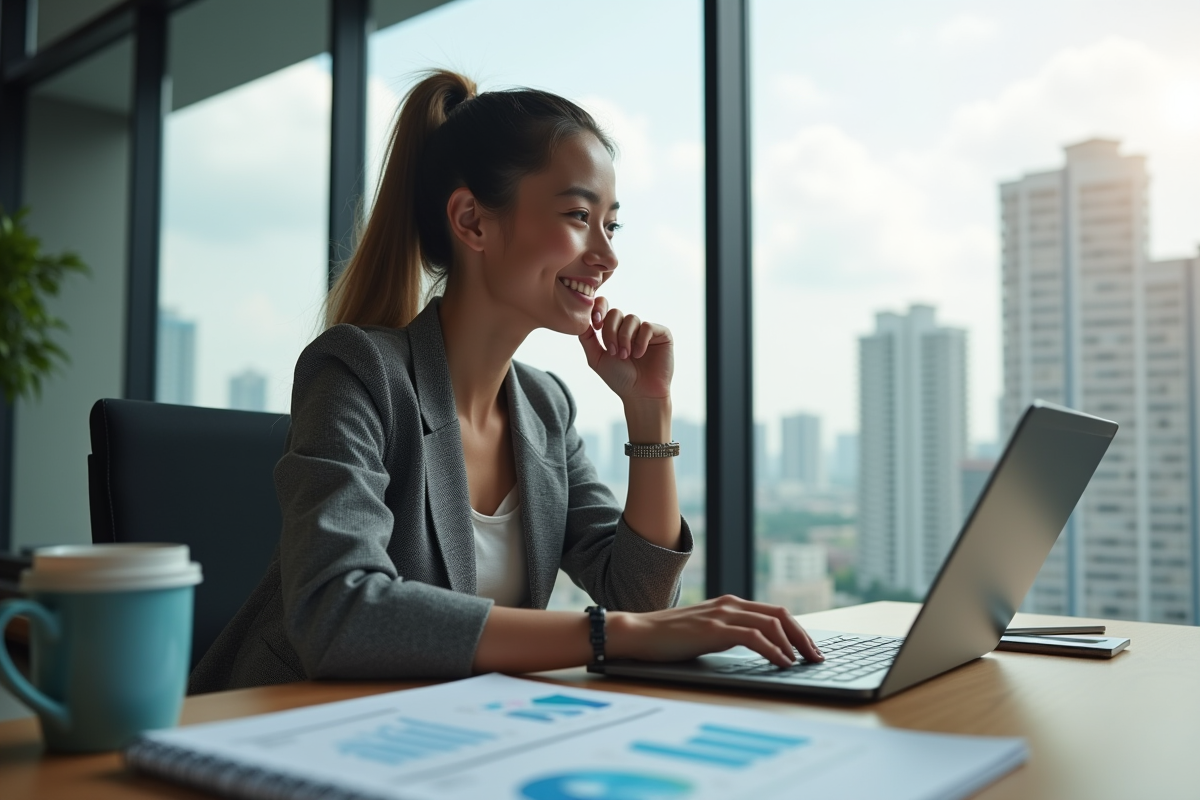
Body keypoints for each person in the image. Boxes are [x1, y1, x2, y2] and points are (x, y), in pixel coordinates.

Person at [189, 70, 822, 694]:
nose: (607, 255)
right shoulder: (358, 372)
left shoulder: (544, 406)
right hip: (290, 732)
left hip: (454, 733)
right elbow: (340, 613)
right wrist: (609, 635)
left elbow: (639, 595)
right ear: (471, 220)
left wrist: (647, 410)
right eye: (579, 214)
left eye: (612, 223)